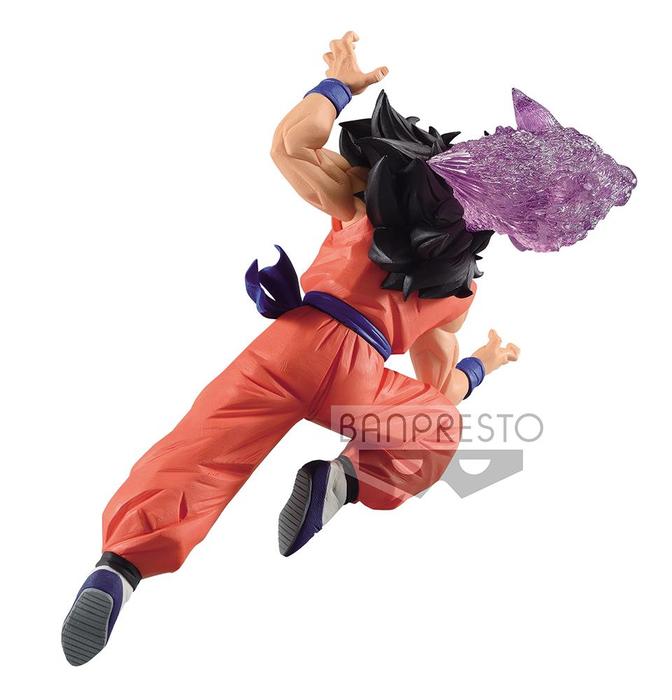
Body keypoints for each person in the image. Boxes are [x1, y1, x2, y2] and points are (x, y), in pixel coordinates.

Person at [62, 31, 635, 666]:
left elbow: (289, 146)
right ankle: (345, 480)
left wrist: (338, 86)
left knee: (201, 450)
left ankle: (121, 567)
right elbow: (436, 396)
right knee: (437, 426)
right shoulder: (458, 288)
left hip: (289, 349)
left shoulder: (368, 202)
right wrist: (483, 367)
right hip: (359, 377)